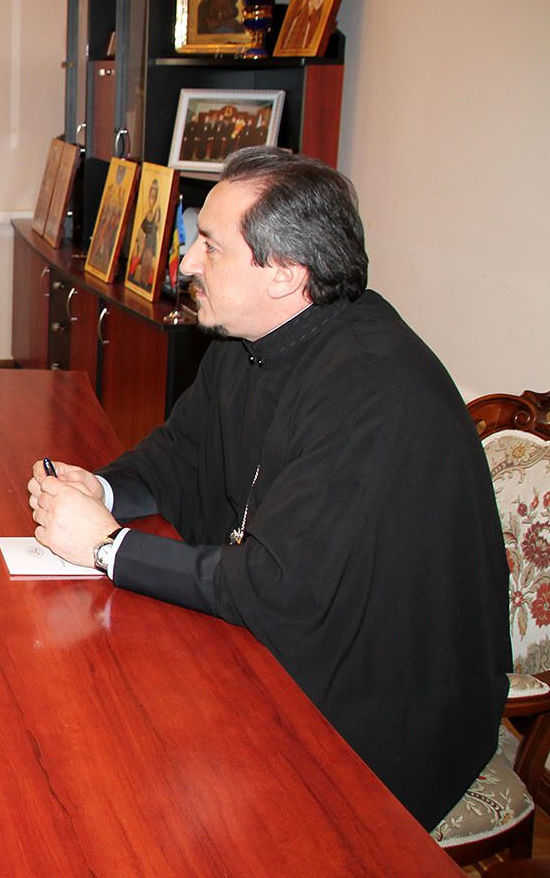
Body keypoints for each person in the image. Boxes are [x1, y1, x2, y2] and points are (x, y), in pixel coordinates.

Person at [25, 147, 507, 830]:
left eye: (210, 246)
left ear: (285, 272)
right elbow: (181, 452)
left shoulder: (372, 391)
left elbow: (282, 589)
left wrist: (108, 547)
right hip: (286, 642)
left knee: (146, 798)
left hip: (383, 703)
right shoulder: (249, 337)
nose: (186, 262)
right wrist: (101, 491)